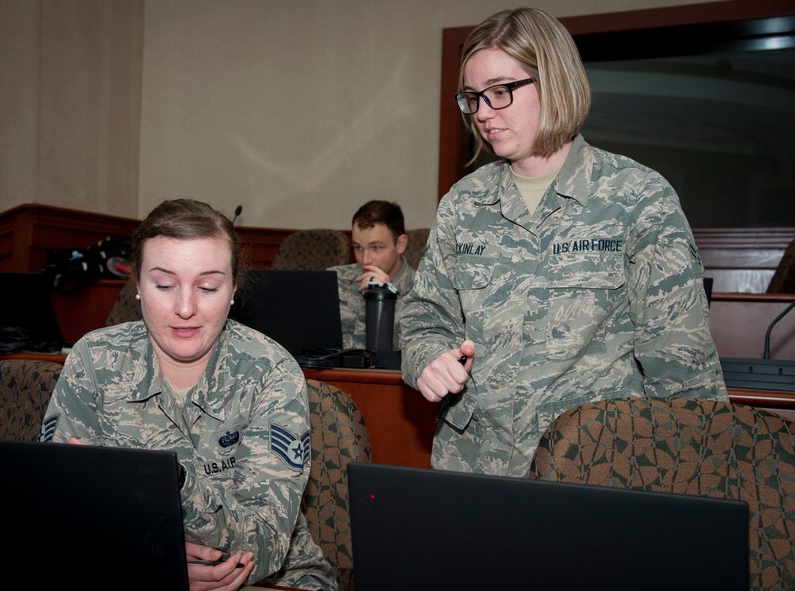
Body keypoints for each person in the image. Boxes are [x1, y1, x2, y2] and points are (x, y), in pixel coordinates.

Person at [400, 7, 728, 478]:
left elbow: (681, 363)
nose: (484, 113)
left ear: (554, 82)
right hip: (474, 469)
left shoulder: (637, 197)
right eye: (473, 97)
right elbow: (425, 316)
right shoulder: (463, 204)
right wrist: (428, 358)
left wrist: (695, 485)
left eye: (500, 91)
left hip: (596, 471)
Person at [39, 199, 337, 591]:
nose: (185, 308)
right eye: (164, 285)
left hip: (273, 581)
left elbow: (263, 544)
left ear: (233, 289)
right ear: (138, 285)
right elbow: (56, 520)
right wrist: (155, 562)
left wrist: (166, 481)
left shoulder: (271, 371)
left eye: (208, 287)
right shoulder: (94, 361)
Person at [328, 200, 415, 350]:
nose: (365, 260)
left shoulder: (423, 291)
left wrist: (385, 297)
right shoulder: (335, 280)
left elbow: (411, 354)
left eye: (376, 248)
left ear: (400, 244)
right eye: (358, 248)